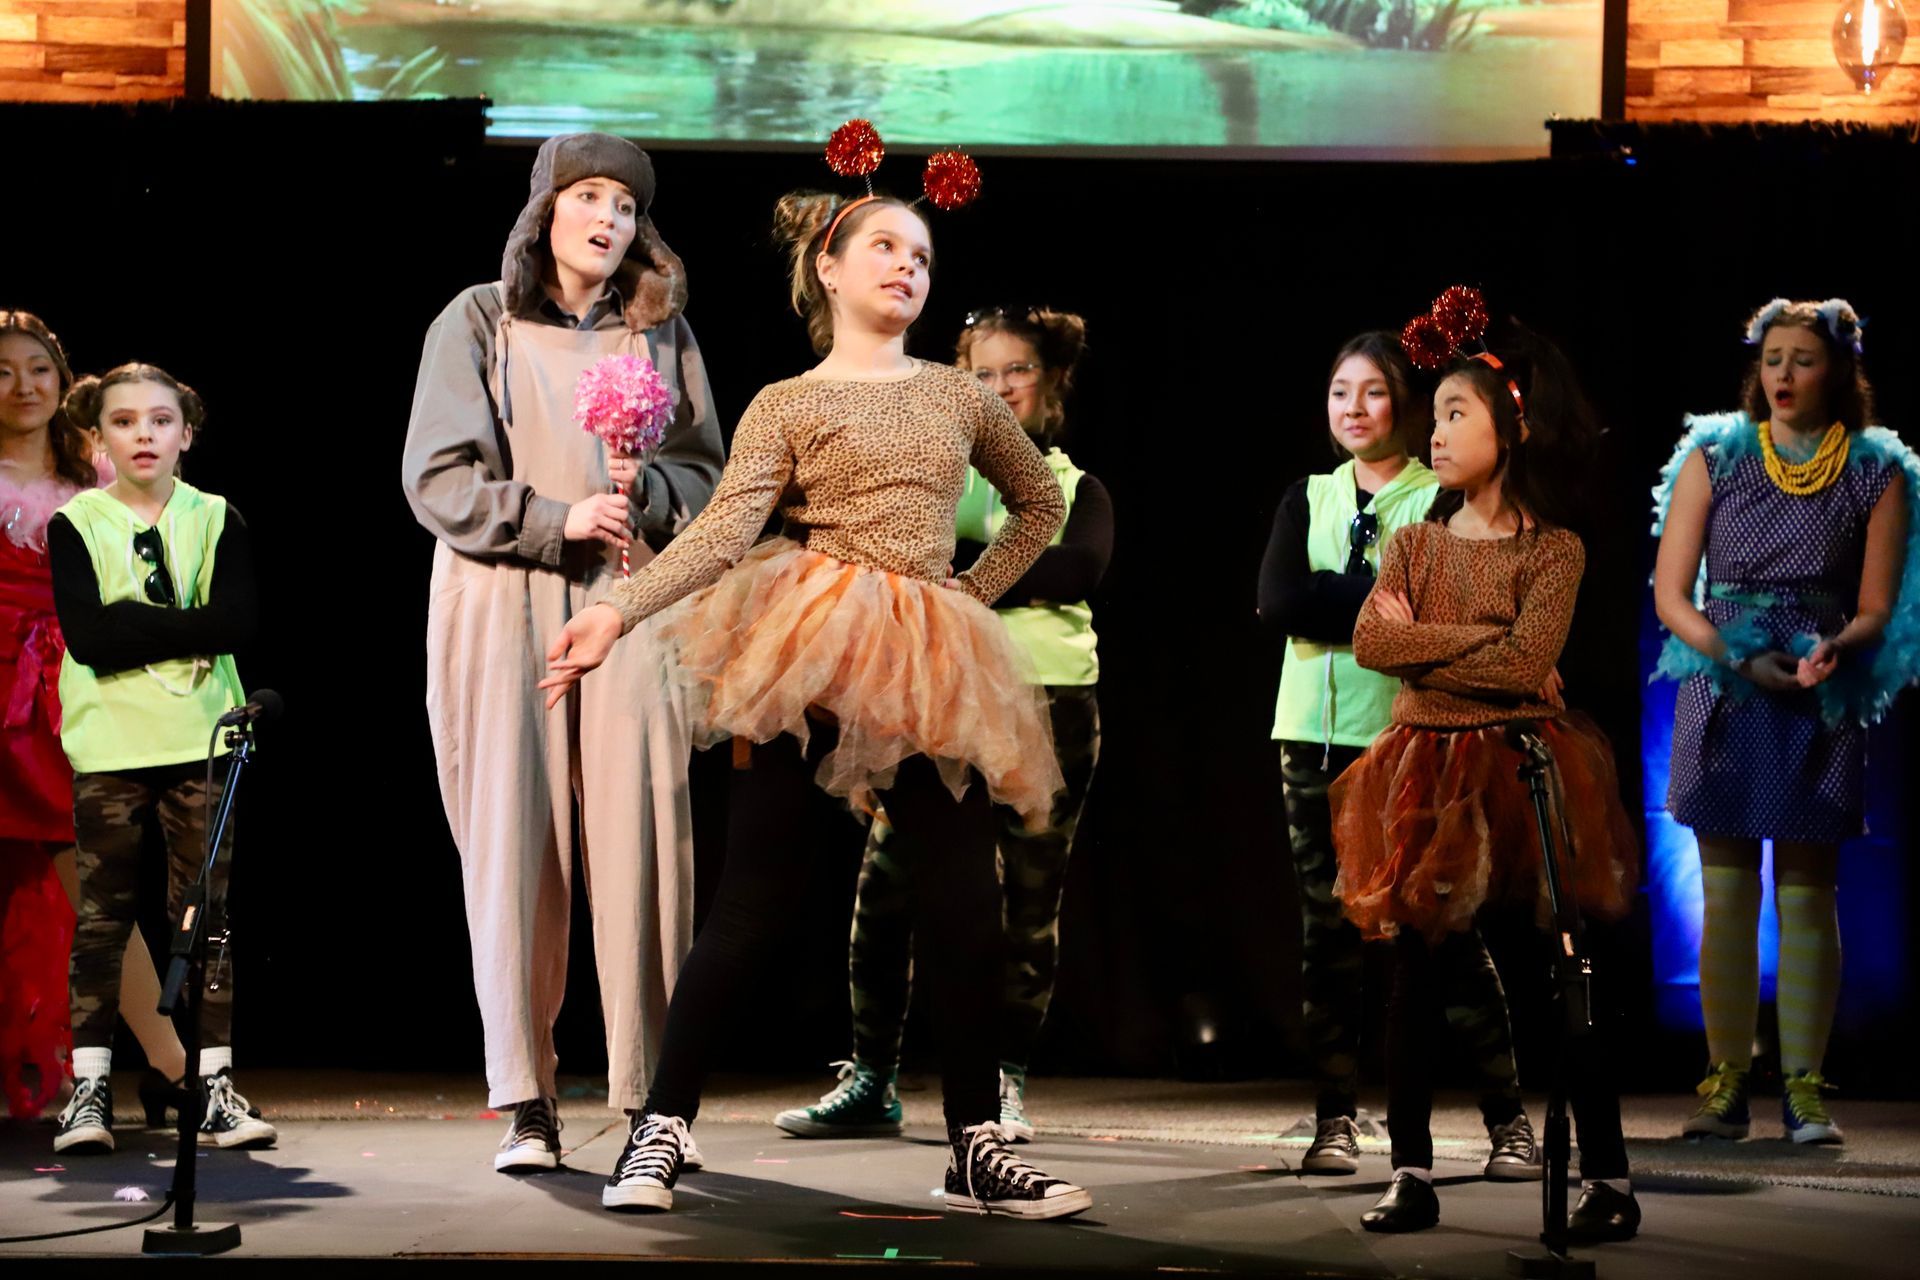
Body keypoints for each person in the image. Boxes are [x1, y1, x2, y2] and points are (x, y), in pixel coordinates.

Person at [540, 182, 1090, 1219]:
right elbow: (722, 532)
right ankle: (661, 1126)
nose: (906, 267)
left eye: (920, 256)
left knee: (966, 909)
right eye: (885, 247)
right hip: (810, 654)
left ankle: (974, 1143)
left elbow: (1039, 501)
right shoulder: (787, 401)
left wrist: (969, 597)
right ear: (829, 270)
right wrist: (616, 610)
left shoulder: (958, 396)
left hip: (925, 662)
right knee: (751, 906)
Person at [401, 132, 724, 1172]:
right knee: (513, 833)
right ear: (546, 210)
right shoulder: (477, 319)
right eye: (589, 198)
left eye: (626, 207)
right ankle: (527, 1098)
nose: (609, 220)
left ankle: (651, 1102)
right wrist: (554, 517)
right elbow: (438, 476)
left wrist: (652, 492)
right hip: (504, 592)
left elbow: (706, 473)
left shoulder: (659, 329)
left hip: (630, 592)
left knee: (645, 836)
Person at [1330, 306, 1640, 1240]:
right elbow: (1374, 641)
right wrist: (1483, 641)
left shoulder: (1553, 549)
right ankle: (1411, 1171)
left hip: (1520, 771)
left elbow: (1526, 665)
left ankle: (1609, 1181)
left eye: (1456, 414)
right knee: (1414, 976)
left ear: (1512, 429)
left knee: (1557, 973)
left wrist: (1448, 651)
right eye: (1434, 416)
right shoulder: (1414, 544)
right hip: (1422, 771)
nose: (1435, 431)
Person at [775, 305, 1112, 1144]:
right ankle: (872, 1078)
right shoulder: (938, 475)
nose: (1000, 387)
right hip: (939, 700)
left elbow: (1075, 567)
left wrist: (950, 580)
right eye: (980, 373)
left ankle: (1004, 1080)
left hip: (1050, 696)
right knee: (886, 885)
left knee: (1028, 896)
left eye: (1017, 370)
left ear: (1052, 381)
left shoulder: (1073, 487)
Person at [1258, 330, 1536, 1179]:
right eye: (1339, 391)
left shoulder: (1438, 500)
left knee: (1442, 929)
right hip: (1310, 737)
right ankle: (1335, 1119)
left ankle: (1508, 1121)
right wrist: (1374, 607)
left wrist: (1342, 604)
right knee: (1327, 936)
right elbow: (1279, 603)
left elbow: (1437, 614)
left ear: (1406, 405)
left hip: (1411, 736)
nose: (1353, 408)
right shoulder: (1307, 496)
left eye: (1372, 391)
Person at [1651, 298, 1914, 1146]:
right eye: (1772, 359)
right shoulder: (1715, 456)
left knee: (1807, 892)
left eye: (1803, 359)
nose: (1784, 375)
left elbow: (1877, 606)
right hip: (1726, 681)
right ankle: (1726, 1082)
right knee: (1726, 891)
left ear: (1837, 369)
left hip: (1814, 681)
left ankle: (1804, 1087)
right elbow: (1671, 594)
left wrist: (1835, 647)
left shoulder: (1876, 470)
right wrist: (1733, 656)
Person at [48, 362, 273, 1153]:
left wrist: (130, 623)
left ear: (186, 434)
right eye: (124, 421)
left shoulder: (216, 517)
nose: (143, 434)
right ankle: (90, 1092)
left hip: (201, 742)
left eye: (159, 420)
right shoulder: (76, 524)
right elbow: (89, 638)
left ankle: (213, 1088)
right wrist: (186, 628)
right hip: (110, 744)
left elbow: (237, 622)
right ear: (97, 437)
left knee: (206, 919)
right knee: (103, 918)